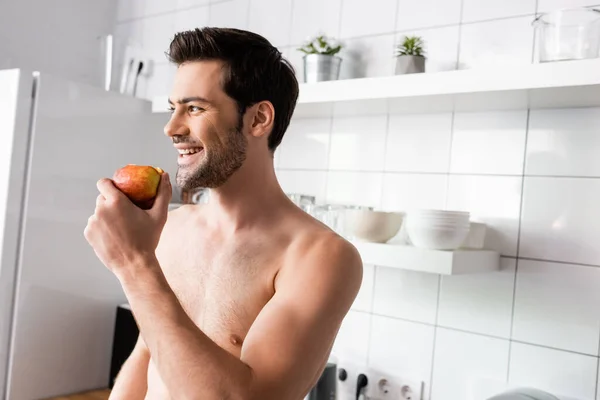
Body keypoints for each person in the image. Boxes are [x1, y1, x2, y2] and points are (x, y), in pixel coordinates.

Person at [84, 27, 362, 400]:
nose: (171, 127)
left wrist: (134, 265)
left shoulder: (319, 256)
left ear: (259, 119)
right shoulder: (171, 227)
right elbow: (148, 354)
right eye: (172, 108)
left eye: (194, 108)